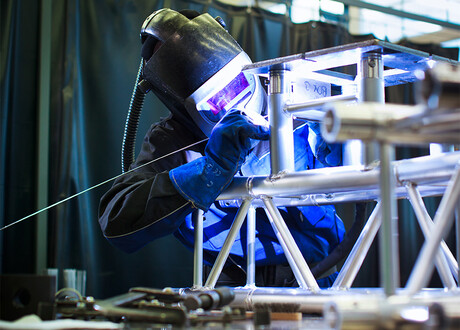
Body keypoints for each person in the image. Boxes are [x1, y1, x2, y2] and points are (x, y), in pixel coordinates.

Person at [98, 8, 345, 288]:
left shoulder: (288, 95)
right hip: (233, 291)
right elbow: (115, 221)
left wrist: (339, 142)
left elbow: (359, 178)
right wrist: (207, 172)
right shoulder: (174, 140)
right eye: (216, 104)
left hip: (320, 279)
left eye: (236, 87)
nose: (236, 107)